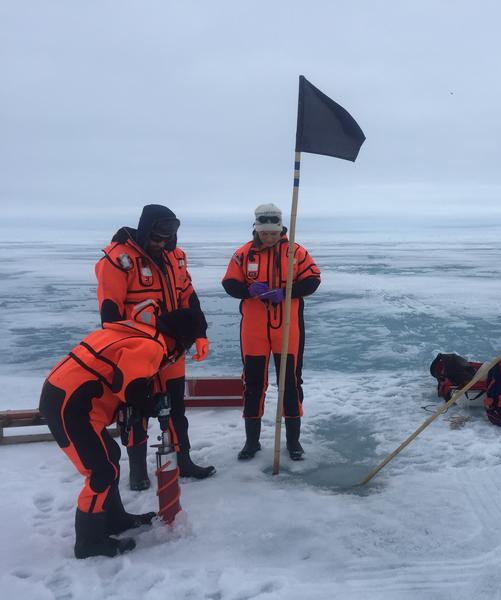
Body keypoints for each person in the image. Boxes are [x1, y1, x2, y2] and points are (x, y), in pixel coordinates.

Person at [38, 307, 201, 558]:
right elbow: (133, 388)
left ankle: (114, 519)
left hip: (67, 398)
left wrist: (147, 400)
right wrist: (152, 405)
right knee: (101, 472)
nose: (183, 353)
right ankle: (88, 543)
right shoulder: (152, 346)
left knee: (109, 456)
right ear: (179, 340)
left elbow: (121, 377)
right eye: (187, 346)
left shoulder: (140, 333)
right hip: (70, 407)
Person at [95, 204, 215, 489]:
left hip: (173, 351)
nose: (161, 245)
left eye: (166, 240)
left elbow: (189, 296)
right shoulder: (117, 260)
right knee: (136, 411)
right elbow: (110, 315)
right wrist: (124, 352)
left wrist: (200, 333)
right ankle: (137, 472)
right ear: (145, 230)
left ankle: (183, 461)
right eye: (157, 239)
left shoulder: (176, 258)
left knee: (176, 408)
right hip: (136, 353)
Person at [222, 203, 321, 461]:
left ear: (280, 230)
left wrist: (289, 292)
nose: (268, 237)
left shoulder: (295, 252)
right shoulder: (243, 254)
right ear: (256, 229)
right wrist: (248, 291)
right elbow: (230, 284)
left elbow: (313, 280)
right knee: (253, 384)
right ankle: (251, 442)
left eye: (273, 233)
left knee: (290, 384)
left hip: (288, 330)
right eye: (264, 233)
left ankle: (293, 443)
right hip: (254, 332)